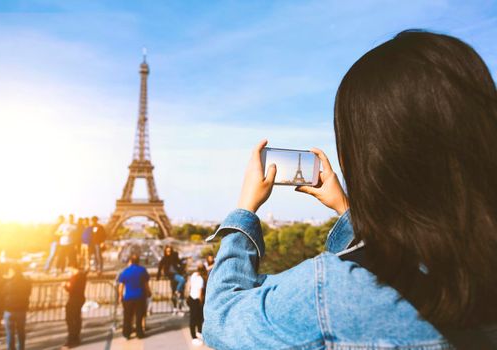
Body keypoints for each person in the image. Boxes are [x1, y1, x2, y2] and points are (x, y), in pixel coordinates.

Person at [203, 30, 497, 349]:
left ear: (366, 156)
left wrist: (245, 211)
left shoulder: (334, 291)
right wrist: (345, 208)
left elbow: (221, 319)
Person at [118, 254, 152, 340]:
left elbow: (121, 286)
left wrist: (120, 296)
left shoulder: (125, 271)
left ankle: (127, 333)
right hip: (140, 296)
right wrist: (148, 292)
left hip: (128, 297)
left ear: (130, 261)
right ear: (138, 261)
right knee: (139, 315)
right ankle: (139, 332)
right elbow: (145, 283)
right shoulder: (142, 270)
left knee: (127, 316)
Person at [3, 264, 32, 350]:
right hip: (21, 310)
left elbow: (2, 294)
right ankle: (21, 348)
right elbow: (28, 293)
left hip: (9, 310)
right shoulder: (26, 282)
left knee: (10, 333)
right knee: (21, 332)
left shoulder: (7, 282)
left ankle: (11, 348)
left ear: (13, 271)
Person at [157, 245, 186, 315]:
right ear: (165, 251)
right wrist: (158, 276)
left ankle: (179, 308)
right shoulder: (164, 258)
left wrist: (183, 265)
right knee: (174, 292)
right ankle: (175, 308)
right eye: (167, 251)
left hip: (177, 275)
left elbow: (180, 263)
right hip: (172, 276)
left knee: (180, 293)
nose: (168, 252)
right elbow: (160, 267)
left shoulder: (174, 257)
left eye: (169, 251)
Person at [63, 266, 87, 347]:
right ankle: (76, 337)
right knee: (77, 318)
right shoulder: (83, 276)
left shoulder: (74, 277)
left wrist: (65, 285)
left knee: (70, 319)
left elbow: (71, 288)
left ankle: (71, 339)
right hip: (80, 298)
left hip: (73, 300)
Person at [187, 261, 206, 347]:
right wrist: (201, 302)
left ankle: (197, 333)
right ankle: (194, 337)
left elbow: (190, 286)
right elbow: (200, 293)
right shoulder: (201, 279)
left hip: (191, 297)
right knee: (196, 318)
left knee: (194, 317)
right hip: (196, 300)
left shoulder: (194, 275)